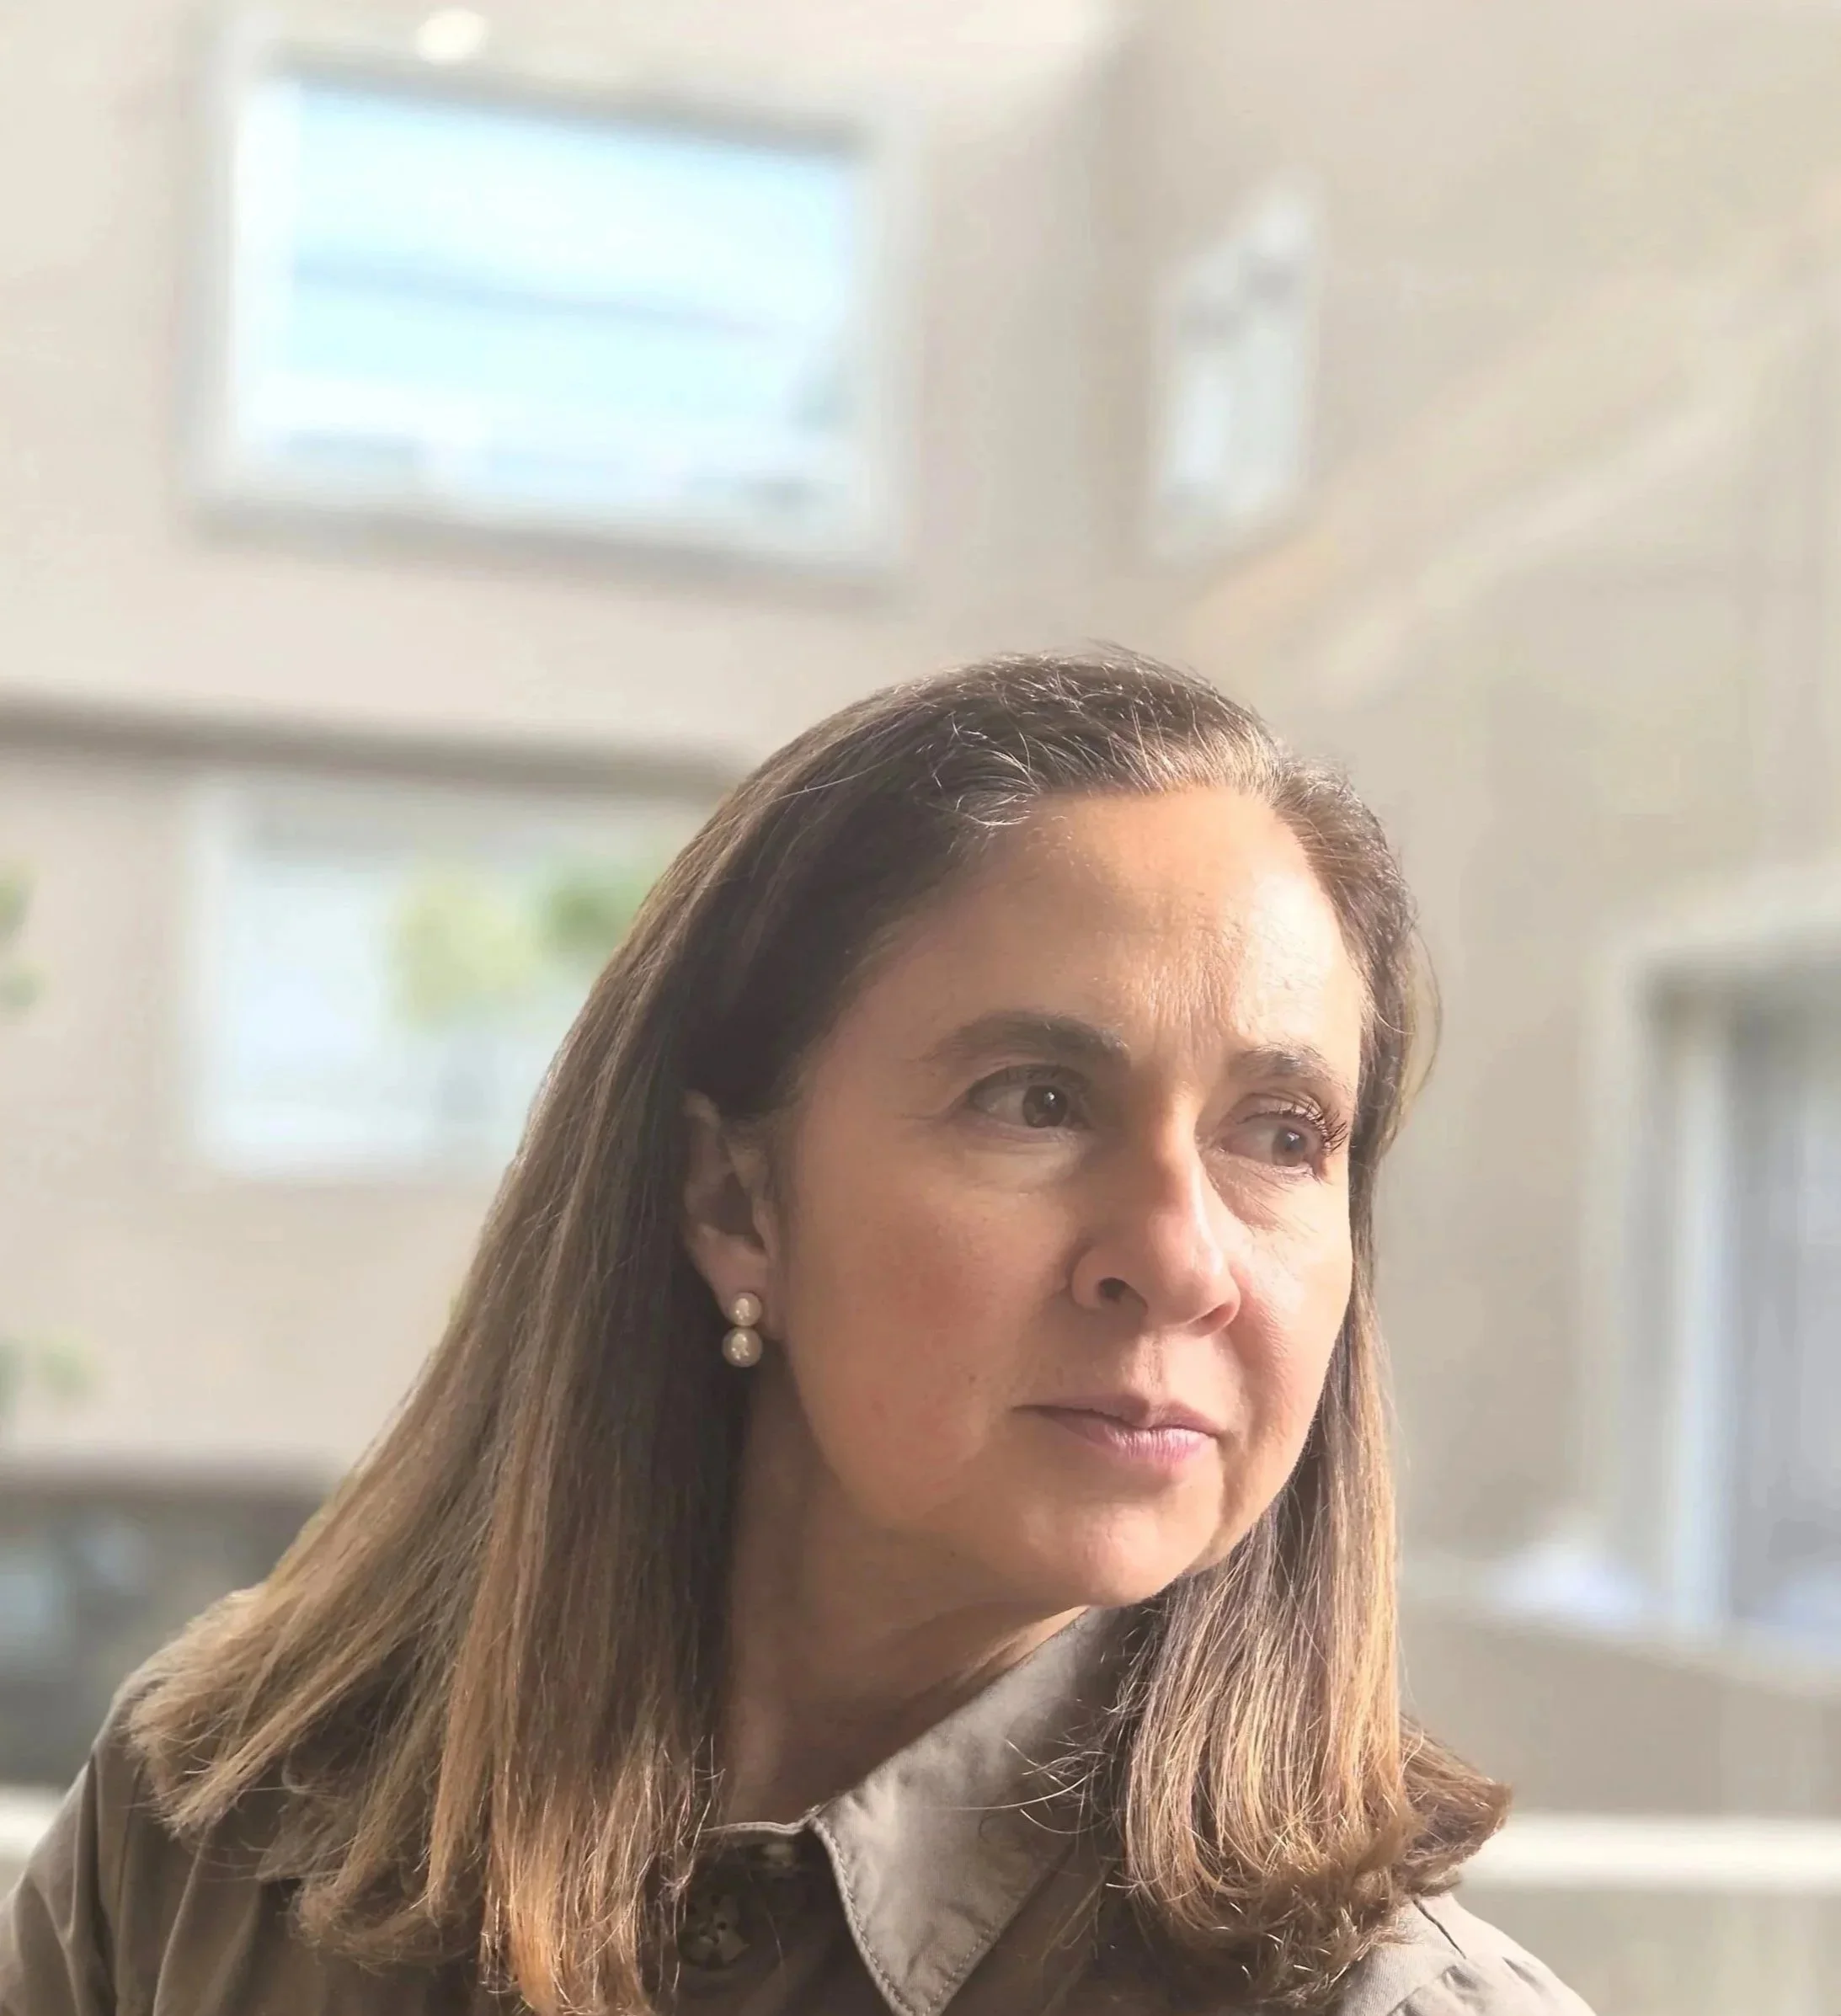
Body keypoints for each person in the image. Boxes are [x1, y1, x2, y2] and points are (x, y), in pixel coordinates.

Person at [0, 653, 1593, 2016]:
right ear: (733, 1194)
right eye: (1036, 1100)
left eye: (1283, 1132)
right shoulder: (208, 1830)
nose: (1181, 1259)